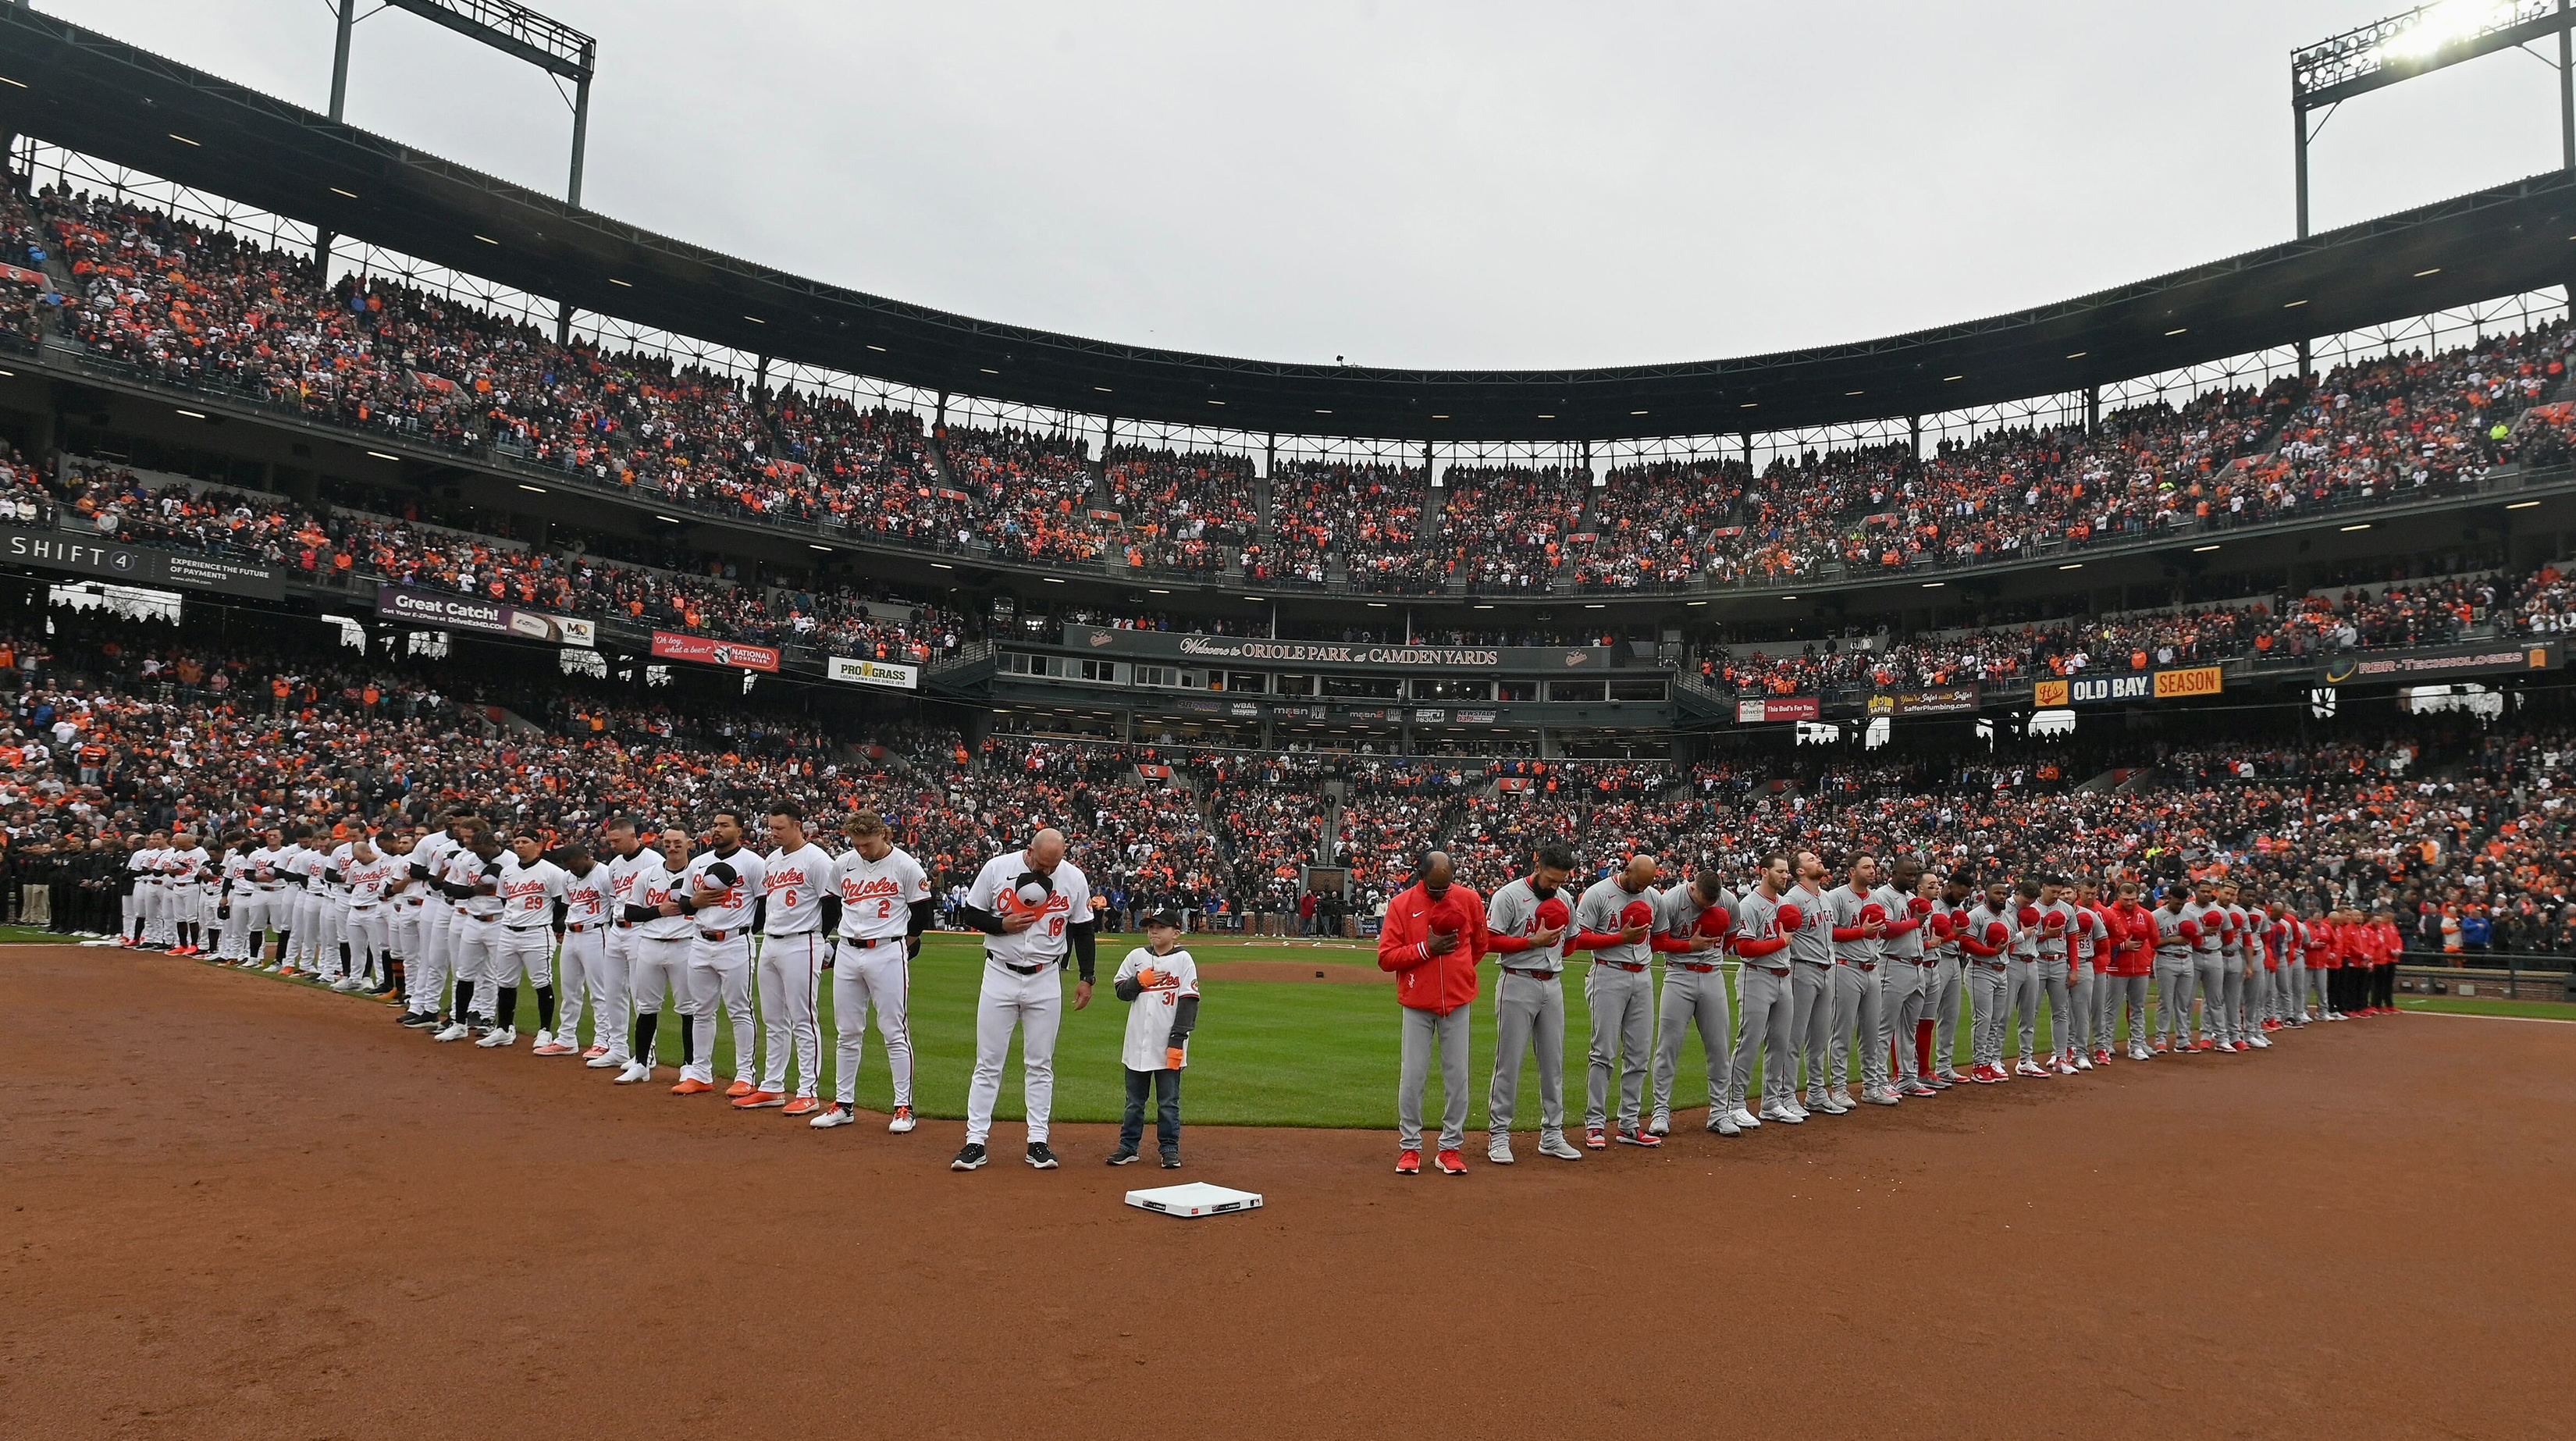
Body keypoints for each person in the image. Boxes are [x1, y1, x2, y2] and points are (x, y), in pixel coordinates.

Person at [954, 827, 1095, 1172]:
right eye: (1043, 864)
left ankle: (1038, 1141)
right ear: (1029, 850)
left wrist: (1087, 977)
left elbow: (1083, 928)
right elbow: (970, 913)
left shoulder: (1073, 878)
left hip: (1046, 976)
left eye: (1054, 865)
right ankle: (975, 1141)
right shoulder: (997, 868)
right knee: (988, 1061)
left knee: (1040, 1062)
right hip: (1000, 973)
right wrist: (1002, 924)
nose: (1047, 872)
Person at [813, 810, 931, 1133]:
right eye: (857, 843)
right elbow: (831, 907)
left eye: (867, 843)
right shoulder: (844, 863)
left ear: (884, 835)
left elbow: (923, 914)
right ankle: (843, 1104)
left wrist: (904, 944)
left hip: (887, 949)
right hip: (848, 950)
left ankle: (903, 1107)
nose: (862, 849)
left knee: (894, 1029)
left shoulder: (906, 866)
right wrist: (823, 942)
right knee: (847, 1031)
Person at [1376, 849, 1488, 1176]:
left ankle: (1450, 1147)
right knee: (1413, 1076)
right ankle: (1410, 1147)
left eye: (1446, 886)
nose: (1441, 893)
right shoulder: (1401, 904)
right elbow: (1386, 958)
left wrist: (1460, 971)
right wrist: (1427, 949)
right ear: (1420, 875)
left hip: (1457, 1001)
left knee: (1458, 1078)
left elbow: (1479, 946)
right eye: (1434, 888)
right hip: (1417, 1003)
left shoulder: (1468, 899)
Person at [738, 802, 838, 1114]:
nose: (774, 833)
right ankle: (772, 1086)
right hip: (771, 940)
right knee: (773, 1018)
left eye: (780, 827)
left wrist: (821, 940)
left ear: (798, 826)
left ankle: (808, 1090)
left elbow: (832, 903)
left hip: (802, 941)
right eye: (771, 827)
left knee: (803, 1018)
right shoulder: (771, 860)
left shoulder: (817, 859)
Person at [1484, 842, 1578, 1163]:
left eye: (1561, 881)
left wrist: (1551, 944)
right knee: (1508, 1063)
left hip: (1552, 984)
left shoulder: (1564, 899)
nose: (1555, 886)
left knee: (1553, 1064)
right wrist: (1532, 942)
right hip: (1517, 980)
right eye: (1551, 879)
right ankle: (1498, 1135)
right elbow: (1488, 940)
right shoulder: (1508, 896)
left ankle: (1552, 1134)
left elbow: (1571, 942)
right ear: (1537, 867)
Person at [1568, 853, 1663, 1148]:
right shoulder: (1598, 894)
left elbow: (1657, 938)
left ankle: (1629, 1124)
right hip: (1608, 973)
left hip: (1643, 976)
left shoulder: (1653, 897)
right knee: (1603, 1052)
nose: (1641, 889)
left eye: (1647, 884)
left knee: (1638, 1054)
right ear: (1626, 871)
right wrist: (1618, 938)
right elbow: (1577, 939)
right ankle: (1595, 1124)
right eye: (1638, 882)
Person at [674, 812, 767, 1098]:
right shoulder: (699, 863)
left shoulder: (753, 863)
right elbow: (685, 905)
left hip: (735, 941)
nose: (717, 829)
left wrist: (745, 926)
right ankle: (700, 1073)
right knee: (700, 1010)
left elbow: (764, 906)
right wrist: (694, 901)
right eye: (715, 825)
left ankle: (745, 1075)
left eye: (724, 825)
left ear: (740, 830)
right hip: (700, 941)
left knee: (739, 1009)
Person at [1108, 911, 1199, 1169]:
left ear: (1176, 932)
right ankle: (1128, 1147)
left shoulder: (1183, 960)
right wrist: (1138, 981)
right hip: (1137, 1041)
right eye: (1150, 928)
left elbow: (1189, 1001)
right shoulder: (1136, 957)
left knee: (1168, 1102)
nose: (1154, 932)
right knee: (1134, 1102)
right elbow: (1121, 992)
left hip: (1168, 1041)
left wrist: (1178, 1039)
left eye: (1161, 927)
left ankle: (1169, 1149)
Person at [1650, 865, 1737, 1134]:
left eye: (1714, 900)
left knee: (1719, 1048)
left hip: (1712, 975)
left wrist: (1709, 951)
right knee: (1668, 1047)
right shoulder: (1671, 901)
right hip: (1679, 975)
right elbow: (1656, 943)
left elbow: (1731, 935)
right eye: (1705, 899)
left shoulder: (1728, 900)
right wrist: (1690, 946)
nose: (1709, 904)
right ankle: (1660, 1112)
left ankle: (1720, 1113)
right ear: (1693, 887)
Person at [615, 827, 699, 1086]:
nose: (672, 847)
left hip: (684, 944)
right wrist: (659, 910)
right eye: (668, 843)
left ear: (689, 844)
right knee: (646, 1007)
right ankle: (641, 1063)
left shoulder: (698, 874)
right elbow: (630, 913)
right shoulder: (647, 875)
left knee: (688, 1008)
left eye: (678, 843)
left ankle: (689, 1065)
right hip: (650, 943)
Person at [1722, 853, 1800, 1127]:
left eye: (1787, 872)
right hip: (1756, 976)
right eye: (1780, 871)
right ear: (1763, 872)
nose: (1785, 876)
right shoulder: (1750, 904)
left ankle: (1771, 1103)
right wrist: (1780, 942)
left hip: (1783, 976)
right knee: (1749, 1041)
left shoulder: (1784, 904)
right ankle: (1735, 1104)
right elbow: (1744, 949)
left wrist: (1782, 944)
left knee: (1781, 1042)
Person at [1822, 853, 1892, 1108]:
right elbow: (1828, 932)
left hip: (1873, 968)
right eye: (1866, 867)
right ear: (1852, 871)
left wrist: (1877, 929)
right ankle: (1839, 1089)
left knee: (1872, 1033)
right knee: (1842, 1033)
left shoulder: (1875, 898)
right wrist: (1861, 931)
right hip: (1846, 968)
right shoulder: (1836, 897)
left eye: (1874, 866)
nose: (1872, 871)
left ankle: (1872, 1087)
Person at [589, 816, 655, 1069]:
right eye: (610, 840)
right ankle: (617, 1047)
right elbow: (614, 897)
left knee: (642, 994)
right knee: (613, 991)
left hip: (640, 929)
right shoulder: (614, 865)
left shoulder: (652, 861)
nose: (612, 845)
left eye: (617, 840)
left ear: (631, 836)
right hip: (617, 930)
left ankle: (646, 1053)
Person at [534, 842, 610, 1057]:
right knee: (570, 990)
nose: (573, 870)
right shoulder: (568, 876)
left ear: (587, 857)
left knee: (600, 991)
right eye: (569, 866)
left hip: (596, 933)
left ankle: (604, 1040)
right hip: (571, 934)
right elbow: (570, 905)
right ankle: (566, 1039)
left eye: (575, 865)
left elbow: (616, 906)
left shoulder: (604, 874)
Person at [1871, 855, 1934, 1098]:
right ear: (1893, 873)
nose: (1911, 878)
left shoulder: (1911, 898)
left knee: (1910, 1027)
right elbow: (1886, 930)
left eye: (1913, 874)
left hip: (1917, 967)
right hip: (1893, 965)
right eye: (1907, 874)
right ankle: (1879, 1079)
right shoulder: (1882, 895)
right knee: (1884, 1028)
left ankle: (1908, 1078)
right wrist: (1915, 922)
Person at [1785, 851, 1835, 1115]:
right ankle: (1787, 1094)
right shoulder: (1792, 898)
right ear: (1800, 871)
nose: (1817, 860)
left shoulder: (1825, 896)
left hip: (1828, 971)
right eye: (1810, 859)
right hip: (1802, 969)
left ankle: (1816, 1092)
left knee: (1819, 1038)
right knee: (1794, 1037)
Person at [1960, 878, 2017, 1084]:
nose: (2002, 896)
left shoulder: (2008, 918)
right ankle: (1978, 1065)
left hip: (2001, 970)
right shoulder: (1975, 916)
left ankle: (1991, 1062)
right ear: (1987, 894)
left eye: (2004, 893)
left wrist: (2001, 954)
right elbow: (1966, 943)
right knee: (1983, 1019)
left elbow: (2010, 944)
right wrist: (1992, 952)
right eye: (1998, 893)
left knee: (1997, 1019)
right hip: (1980, 970)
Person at [2151, 884, 2200, 1054]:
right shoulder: (2156, 916)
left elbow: (2197, 937)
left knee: (2185, 1003)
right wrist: (2172, 940)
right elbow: (2151, 943)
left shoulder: (2190, 915)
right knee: (2165, 1001)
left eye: (2182, 903)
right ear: (2169, 897)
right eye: (2177, 903)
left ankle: (2183, 1040)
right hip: (2166, 959)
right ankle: (2161, 1040)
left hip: (2187, 960)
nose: (2180, 906)